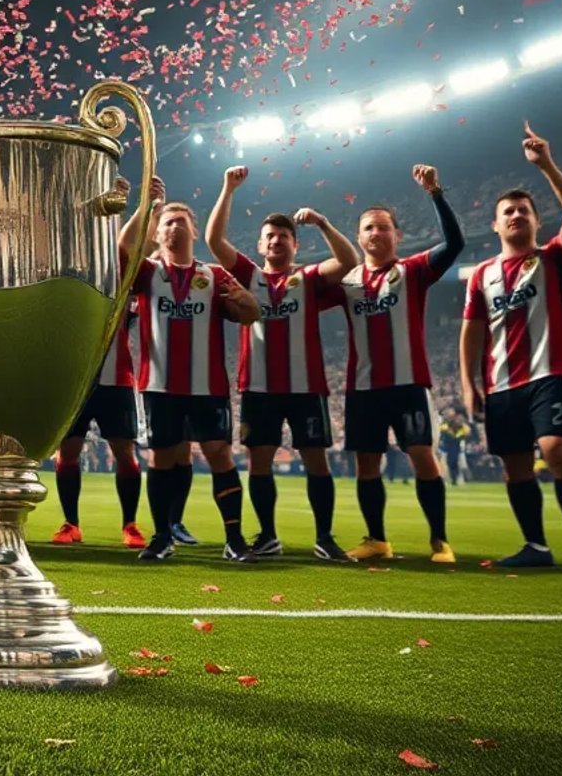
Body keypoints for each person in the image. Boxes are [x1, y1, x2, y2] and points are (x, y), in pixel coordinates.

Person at [459, 124, 562, 572]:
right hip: (500, 386)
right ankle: (535, 545)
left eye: (524, 211)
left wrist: (546, 166)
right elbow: (471, 332)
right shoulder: (481, 275)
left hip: (549, 375)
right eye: (509, 212)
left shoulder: (554, 258)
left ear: (537, 221)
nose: (516, 216)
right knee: (515, 467)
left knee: (556, 449)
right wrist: (467, 384)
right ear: (495, 224)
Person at [205, 165, 360, 562]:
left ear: (295, 245)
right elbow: (213, 239)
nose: (277, 241)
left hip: (306, 387)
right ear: (260, 245)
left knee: (316, 460)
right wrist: (228, 188)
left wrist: (323, 223)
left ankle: (325, 537)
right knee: (259, 462)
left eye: (284, 236)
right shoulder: (249, 276)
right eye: (270, 236)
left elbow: (348, 258)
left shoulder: (308, 278)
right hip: (258, 388)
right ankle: (269, 536)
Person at [120, 180, 262, 563]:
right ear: (158, 230)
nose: (173, 227)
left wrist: (248, 302)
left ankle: (234, 540)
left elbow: (250, 315)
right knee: (161, 459)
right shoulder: (147, 272)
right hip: (159, 386)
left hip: (208, 385)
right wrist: (147, 206)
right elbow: (122, 249)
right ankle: (162, 536)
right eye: (167, 222)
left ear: (194, 230)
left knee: (219, 454)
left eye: (180, 220)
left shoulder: (214, 275)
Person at [335, 164, 463, 564]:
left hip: (408, 384)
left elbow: (455, 244)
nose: (375, 233)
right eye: (368, 228)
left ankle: (439, 540)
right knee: (366, 464)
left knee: (423, 455)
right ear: (359, 237)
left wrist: (435, 194)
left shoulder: (413, 270)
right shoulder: (348, 281)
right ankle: (377, 540)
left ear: (397, 235)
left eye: (382, 227)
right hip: (363, 388)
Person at [50, 178, 146, 551]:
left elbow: (127, 238)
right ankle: (70, 523)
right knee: (68, 451)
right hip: (73, 379)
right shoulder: (66, 264)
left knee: (124, 451)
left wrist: (130, 201)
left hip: (116, 376)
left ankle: (131, 525)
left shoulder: (118, 263)